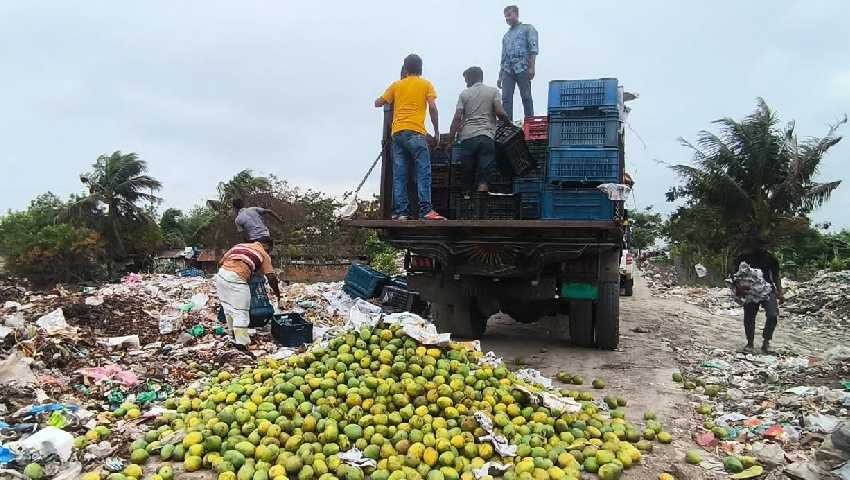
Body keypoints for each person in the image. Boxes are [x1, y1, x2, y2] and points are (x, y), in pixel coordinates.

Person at [375, 54, 446, 221]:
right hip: (415, 133)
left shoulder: (396, 85)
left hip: (397, 134)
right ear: (420, 68)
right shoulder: (425, 84)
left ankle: (400, 212)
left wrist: (385, 97)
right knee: (423, 171)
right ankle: (426, 210)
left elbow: (378, 103)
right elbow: (433, 108)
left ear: (405, 69)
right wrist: (436, 132)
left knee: (399, 174)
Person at [449, 66, 510, 192]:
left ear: (472, 78)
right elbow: (500, 112)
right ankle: (481, 204)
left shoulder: (464, 94)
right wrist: (509, 123)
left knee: (467, 176)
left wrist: (450, 140)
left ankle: (467, 205)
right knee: (484, 177)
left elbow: (456, 119)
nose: (466, 83)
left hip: (467, 139)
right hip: (486, 137)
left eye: (466, 80)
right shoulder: (493, 91)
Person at [214, 238, 281, 346]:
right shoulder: (264, 254)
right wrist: (278, 294)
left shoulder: (240, 245)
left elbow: (221, 261)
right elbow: (271, 277)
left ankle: (232, 336)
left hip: (221, 275)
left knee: (228, 307)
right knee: (241, 313)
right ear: (268, 247)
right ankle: (242, 344)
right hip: (237, 278)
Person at [732, 241, 784, 353]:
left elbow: (776, 275)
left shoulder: (770, 258)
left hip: (767, 289)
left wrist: (780, 291)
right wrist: (739, 288)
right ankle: (750, 343)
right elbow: (735, 274)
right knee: (749, 317)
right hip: (750, 290)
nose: (760, 247)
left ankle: (766, 342)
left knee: (772, 315)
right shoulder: (743, 257)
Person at [498, 5, 539, 120]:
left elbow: (533, 48)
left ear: (516, 14)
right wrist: (500, 76)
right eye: (506, 17)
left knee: (526, 95)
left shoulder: (528, 28)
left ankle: (529, 120)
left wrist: (532, 67)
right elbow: (503, 56)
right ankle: (507, 124)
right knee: (506, 98)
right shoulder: (506, 37)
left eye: (509, 15)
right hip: (507, 69)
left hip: (523, 67)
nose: (507, 19)